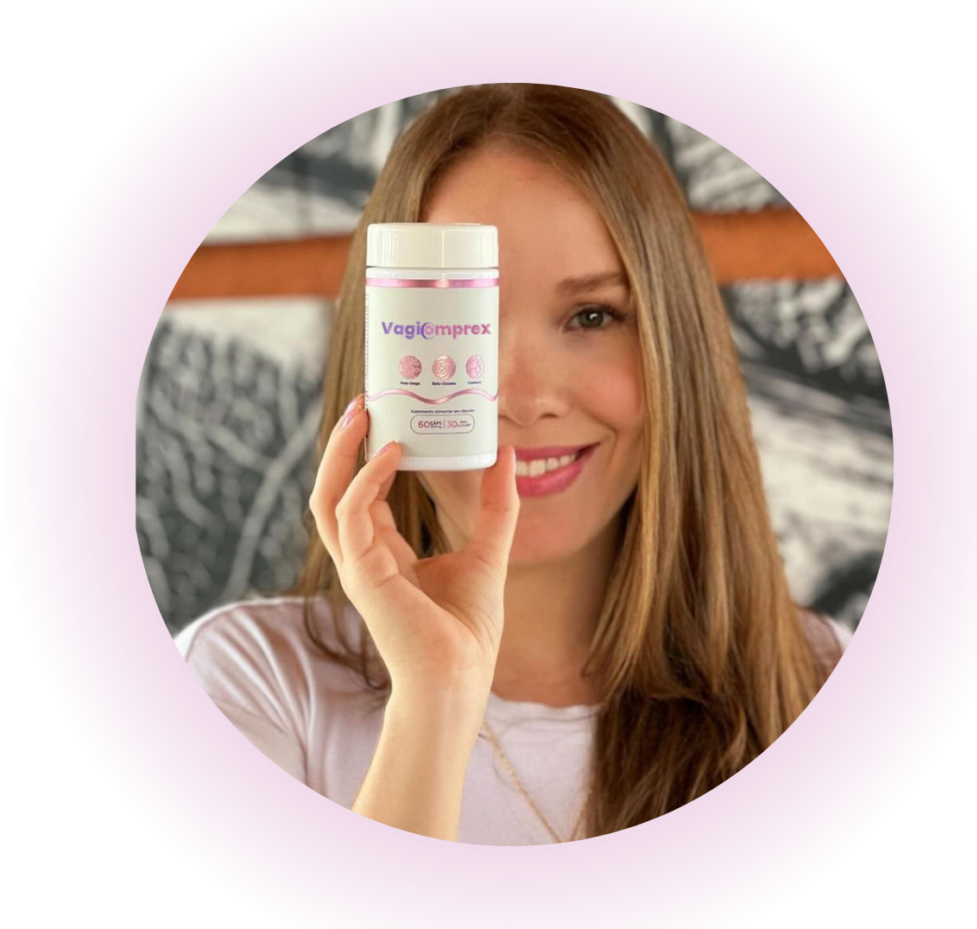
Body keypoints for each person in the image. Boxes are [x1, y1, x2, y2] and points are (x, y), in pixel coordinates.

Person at [175, 83, 853, 846]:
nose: (523, 401)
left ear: (675, 345)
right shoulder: (247, 683)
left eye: (592, 316)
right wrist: (434, 698)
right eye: (460, 321)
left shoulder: (827, 686)